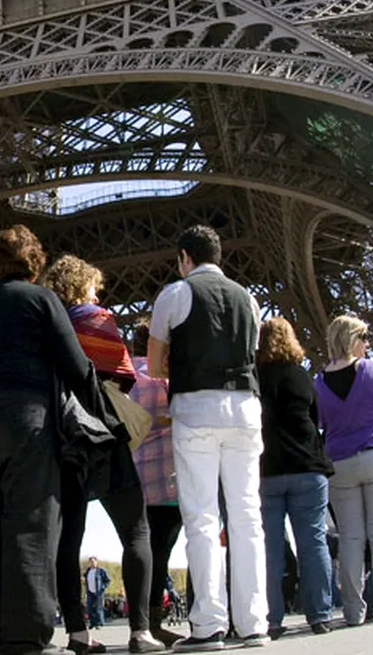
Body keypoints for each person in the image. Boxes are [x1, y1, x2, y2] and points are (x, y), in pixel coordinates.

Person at [0, 225, 107, 655]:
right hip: (29, 422)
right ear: (36, 263)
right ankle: (25, 635)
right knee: (31, 526)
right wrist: (105, 418)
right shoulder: (43, 299)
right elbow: (77, 366)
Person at [146, 225, 267, 651]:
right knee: (247, 516)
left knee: (201, 518)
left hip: (196, 410)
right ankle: (254, 623)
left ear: (184, 257)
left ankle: (208, 625)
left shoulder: (175, 295)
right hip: (245, 410)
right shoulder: (248, 299)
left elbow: (156, 364)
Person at [41, 255, 161, 653]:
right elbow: (123, 375)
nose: (98, 293)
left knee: (68, 539)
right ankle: (141, 632)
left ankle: (77, 633)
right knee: (136, 530)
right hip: (104, 435)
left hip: (63, 436)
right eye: (94, 286)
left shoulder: (47, 325)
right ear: (83, 286)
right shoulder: (97, 318)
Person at [312, 315, 373, 626]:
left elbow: (321, 422)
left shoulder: (319, 382)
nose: (367, 344)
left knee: (350, 538)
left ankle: (353, 611)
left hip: (340, 462)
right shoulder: (371, 368)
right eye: (363, 338)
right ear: (353, 340)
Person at [254, 317, 334, 638]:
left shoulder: (255, 378)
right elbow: (317, 419)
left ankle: (271, 619)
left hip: (267, 470)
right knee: (313, 543)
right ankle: (320, 615)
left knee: (269, 549)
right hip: (307, 467)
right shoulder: (304, 377)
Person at [131, 322, 182, 648]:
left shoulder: (125, 377)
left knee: (140, 549)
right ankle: (153, 623)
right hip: (169, 480)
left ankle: (142, 625)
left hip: (135, 479)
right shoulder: (169, 379)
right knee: (161, 552)